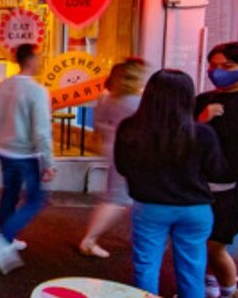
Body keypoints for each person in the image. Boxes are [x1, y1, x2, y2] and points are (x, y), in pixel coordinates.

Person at [115, 69, 227, 298]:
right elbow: (217, 172)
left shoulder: (130, 128)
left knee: (146, 266)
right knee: (192, 270)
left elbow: (122, 167)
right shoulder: (203, 133)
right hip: (196, 209)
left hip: (150, 207)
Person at [0, 44, 56, 275]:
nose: (41, 60)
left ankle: (8, 237)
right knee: (37, 198)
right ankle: (3, 239)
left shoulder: (3, 86)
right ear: (31, 60)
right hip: (26, 153)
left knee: (10, 193)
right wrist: (49, 162)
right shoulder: (37, 91)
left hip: (4, 149)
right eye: (39, 57)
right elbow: (42, 131)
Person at [194, 42, 238, 298]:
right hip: (200, 183)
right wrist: (201, 121)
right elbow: (184, 136)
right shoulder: (204, 100)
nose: (218, 71)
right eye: (213, 66)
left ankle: (230, 290)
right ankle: (208, 285)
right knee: (198, 243)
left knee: (215, 245)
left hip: (236, 186)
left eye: (227, 66)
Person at [78, 58, 148, 258]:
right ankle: (90, 239)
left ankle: (95, 238)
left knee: (119, 196)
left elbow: (99, 124)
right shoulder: (137, 102)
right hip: (131, 152)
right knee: (118, 198)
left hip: (112, 148)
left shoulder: (107, 98)